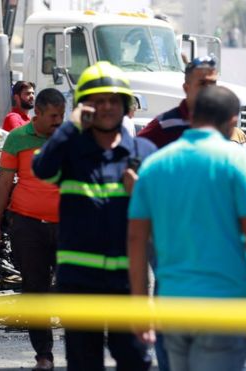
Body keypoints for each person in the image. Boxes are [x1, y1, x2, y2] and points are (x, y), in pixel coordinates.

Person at [128, 86, 246, 371]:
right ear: (233, 121)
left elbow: (136, 238)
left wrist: (139, 302)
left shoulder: (156, 165)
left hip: (172, 303)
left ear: (192, 116)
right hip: (224, 306)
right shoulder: (238, 160)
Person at [32, 61, 155, 371]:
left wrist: (141, 193)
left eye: (113, 100)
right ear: (84, 106)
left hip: (128, 283)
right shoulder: (70, 150)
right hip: (78, 283)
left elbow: (165, 216)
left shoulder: (144, 152)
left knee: (134, 361)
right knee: (84, 364)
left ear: (126, 105)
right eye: (97, 100)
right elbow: (42, 168)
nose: (106, 107)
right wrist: (70, 126)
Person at [0, 88, 66, 371]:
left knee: (73, 287)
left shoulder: (69, 139)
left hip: (67, 226)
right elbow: (4, 184)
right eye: (53, 116)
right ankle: (43, 355)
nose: (58, 121)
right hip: (27, 225)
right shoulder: (18, 138)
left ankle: (81, 350)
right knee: (35, 289)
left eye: (62, 115)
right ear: (39, 113)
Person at [138, 56, 218, 148]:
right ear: (186, 88)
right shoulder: (164, 125)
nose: (209, 89)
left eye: (212, 83)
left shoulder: (223, 121)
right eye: (202, 83)